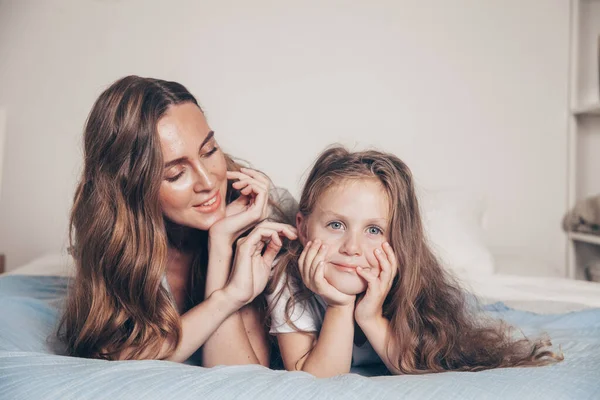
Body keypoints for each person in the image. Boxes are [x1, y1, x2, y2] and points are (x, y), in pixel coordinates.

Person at [58, 75, 297, 366]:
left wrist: (225, 245)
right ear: (132, 187)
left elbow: (243, 375)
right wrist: (226, 293)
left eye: (209, 151)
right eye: (175, 174)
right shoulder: (116, 242)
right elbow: (117, 358)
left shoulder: (265, 212)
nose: (208, 181)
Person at [266, 145, 561, 377]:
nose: (352, 248)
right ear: (303, 228)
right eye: (336, 225)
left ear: (398, 241)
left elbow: (413, 369)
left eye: (374, 230)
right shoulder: (290, 280)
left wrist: (370, 316)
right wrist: (340, 306)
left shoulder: (404, 280)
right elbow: (315, 381)